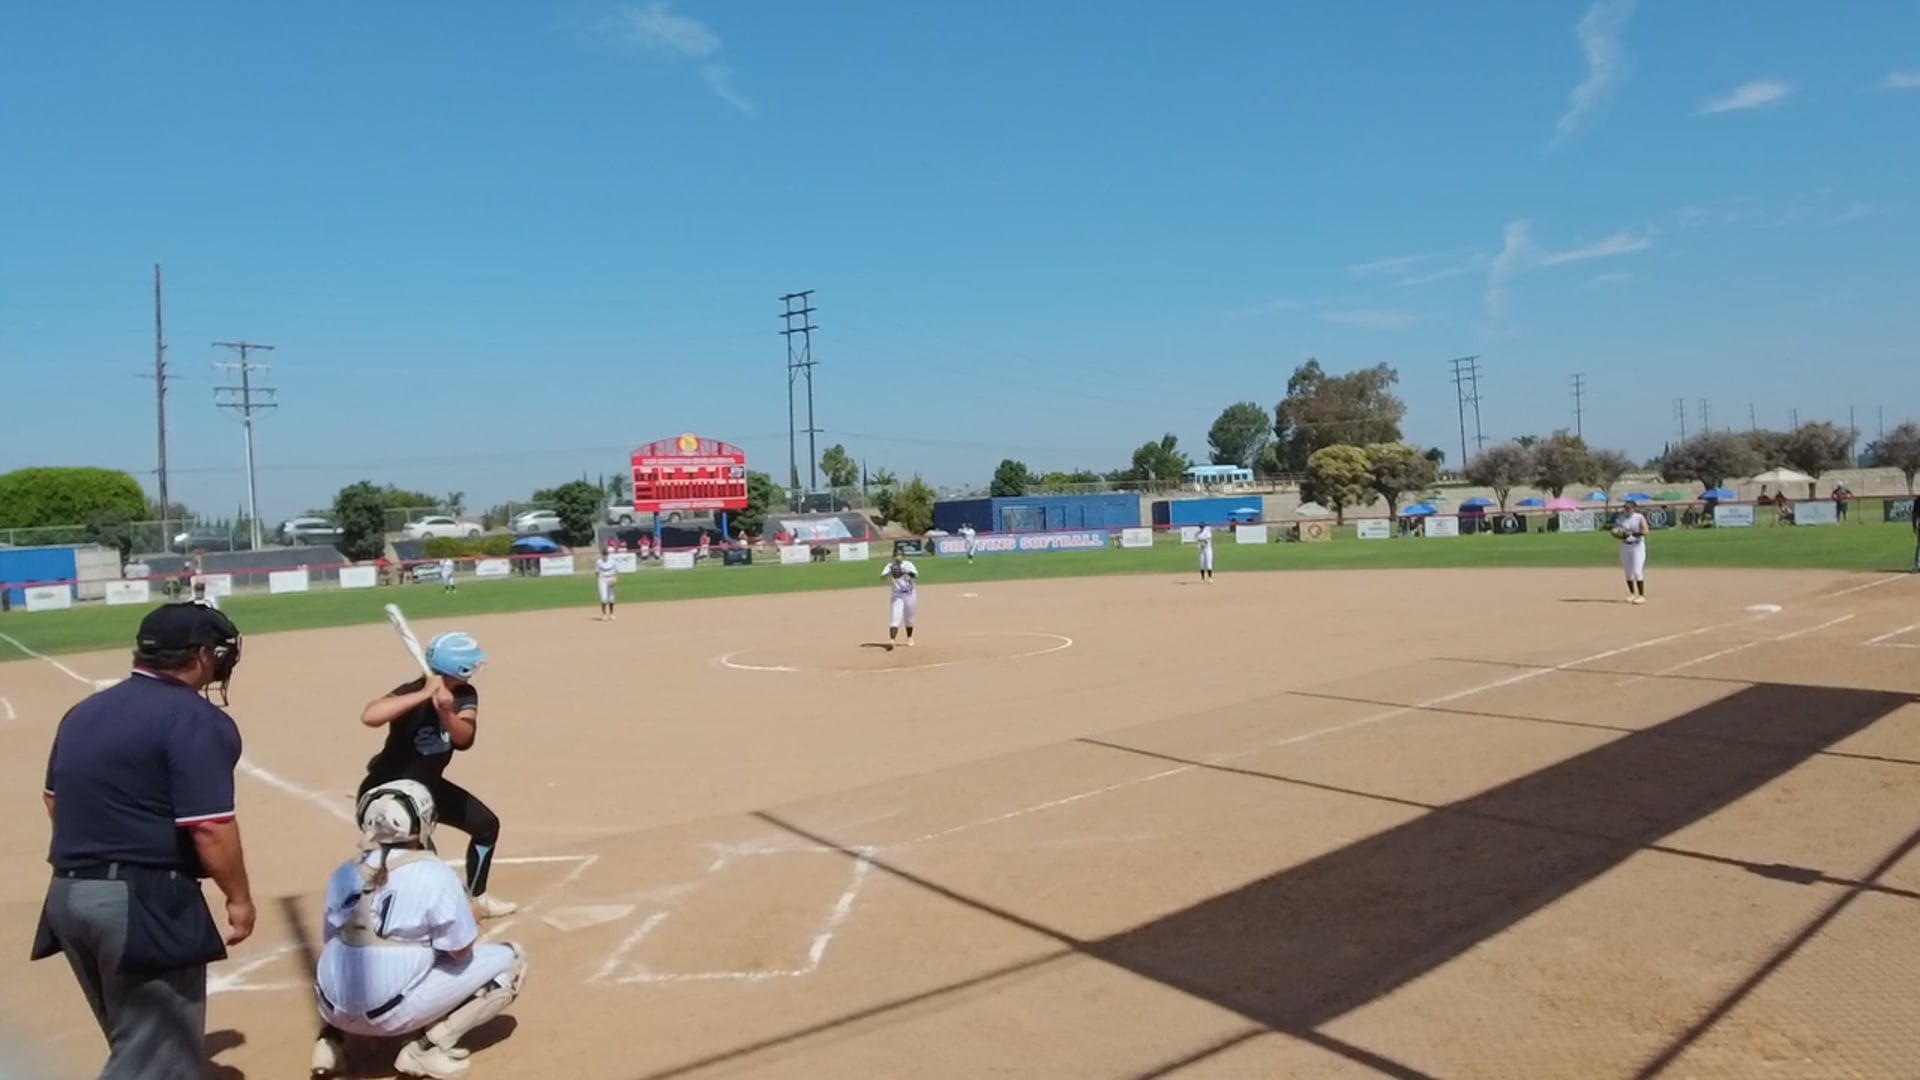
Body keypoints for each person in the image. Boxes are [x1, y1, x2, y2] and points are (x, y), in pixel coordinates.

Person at [32, 603, 254, 1079]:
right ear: (203, 655)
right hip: (143, 904)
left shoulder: (82, 713)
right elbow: (210, 826)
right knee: (154, 1063)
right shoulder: (196, 720)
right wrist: (239, 898)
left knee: (133, 1043)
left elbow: (54, 800)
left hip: (69, 897)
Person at [311, 780, 528, 1079]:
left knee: (348, 953)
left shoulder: (343, 873)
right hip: (389, 1013)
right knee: (512, 960)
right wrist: (470, 916)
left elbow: (330, 939)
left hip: (331, 1006)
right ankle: (425, 1049)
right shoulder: (435, 874)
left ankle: (329, 1044)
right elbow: (459, 951)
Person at [356, 631, 516, 919]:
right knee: (424, 863)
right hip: (390, 795)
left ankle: (477, 899)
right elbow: (370, 715)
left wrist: (445, 711)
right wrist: (422, 695)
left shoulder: (464, 695)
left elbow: (463, 738)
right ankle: (411, 917)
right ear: (459, 668)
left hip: (427, 788)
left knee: (486, 825)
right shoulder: (412, 690)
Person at [882, 552, 918, 649]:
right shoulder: (889, 566)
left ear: (903, 556)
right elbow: (882, 577)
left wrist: (905, 572)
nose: (898, 557)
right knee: (895, 618)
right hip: (897, 595)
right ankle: (892, 640)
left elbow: (915, 575)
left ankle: (909, 637)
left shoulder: (908, 564)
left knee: (909, 619)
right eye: (896, 555)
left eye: (900, 555)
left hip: (909, 594)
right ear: (893, 557)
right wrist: (890, 572)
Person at [1616, 504, 1650, 603]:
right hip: (1625, 546)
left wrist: (1634, 533)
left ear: (1634, 509)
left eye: (1629, 508)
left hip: (1637, 546)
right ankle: (1632, 594)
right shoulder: (1621, 519)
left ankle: (1641, 596)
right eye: (1625, 508)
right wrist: (1618, 533)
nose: (1627, 510)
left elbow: (1646, 531)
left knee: (1637, 571)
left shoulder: (1639, 517)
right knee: (1628, 572)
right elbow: (1616, 530)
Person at [594, 546, 618, 621]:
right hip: (602, 579)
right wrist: (599, 581)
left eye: (606, 553)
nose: (605, 555)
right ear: (602, 554)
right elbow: (596, 572)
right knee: (604, 598)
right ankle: (604, 614)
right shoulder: (599, 562)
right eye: (604, 554)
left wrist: (615, 579)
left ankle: (611, 614)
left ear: (608, 554)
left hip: (610, 579)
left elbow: (616, 571)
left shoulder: (612, 561)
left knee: (611, 597)